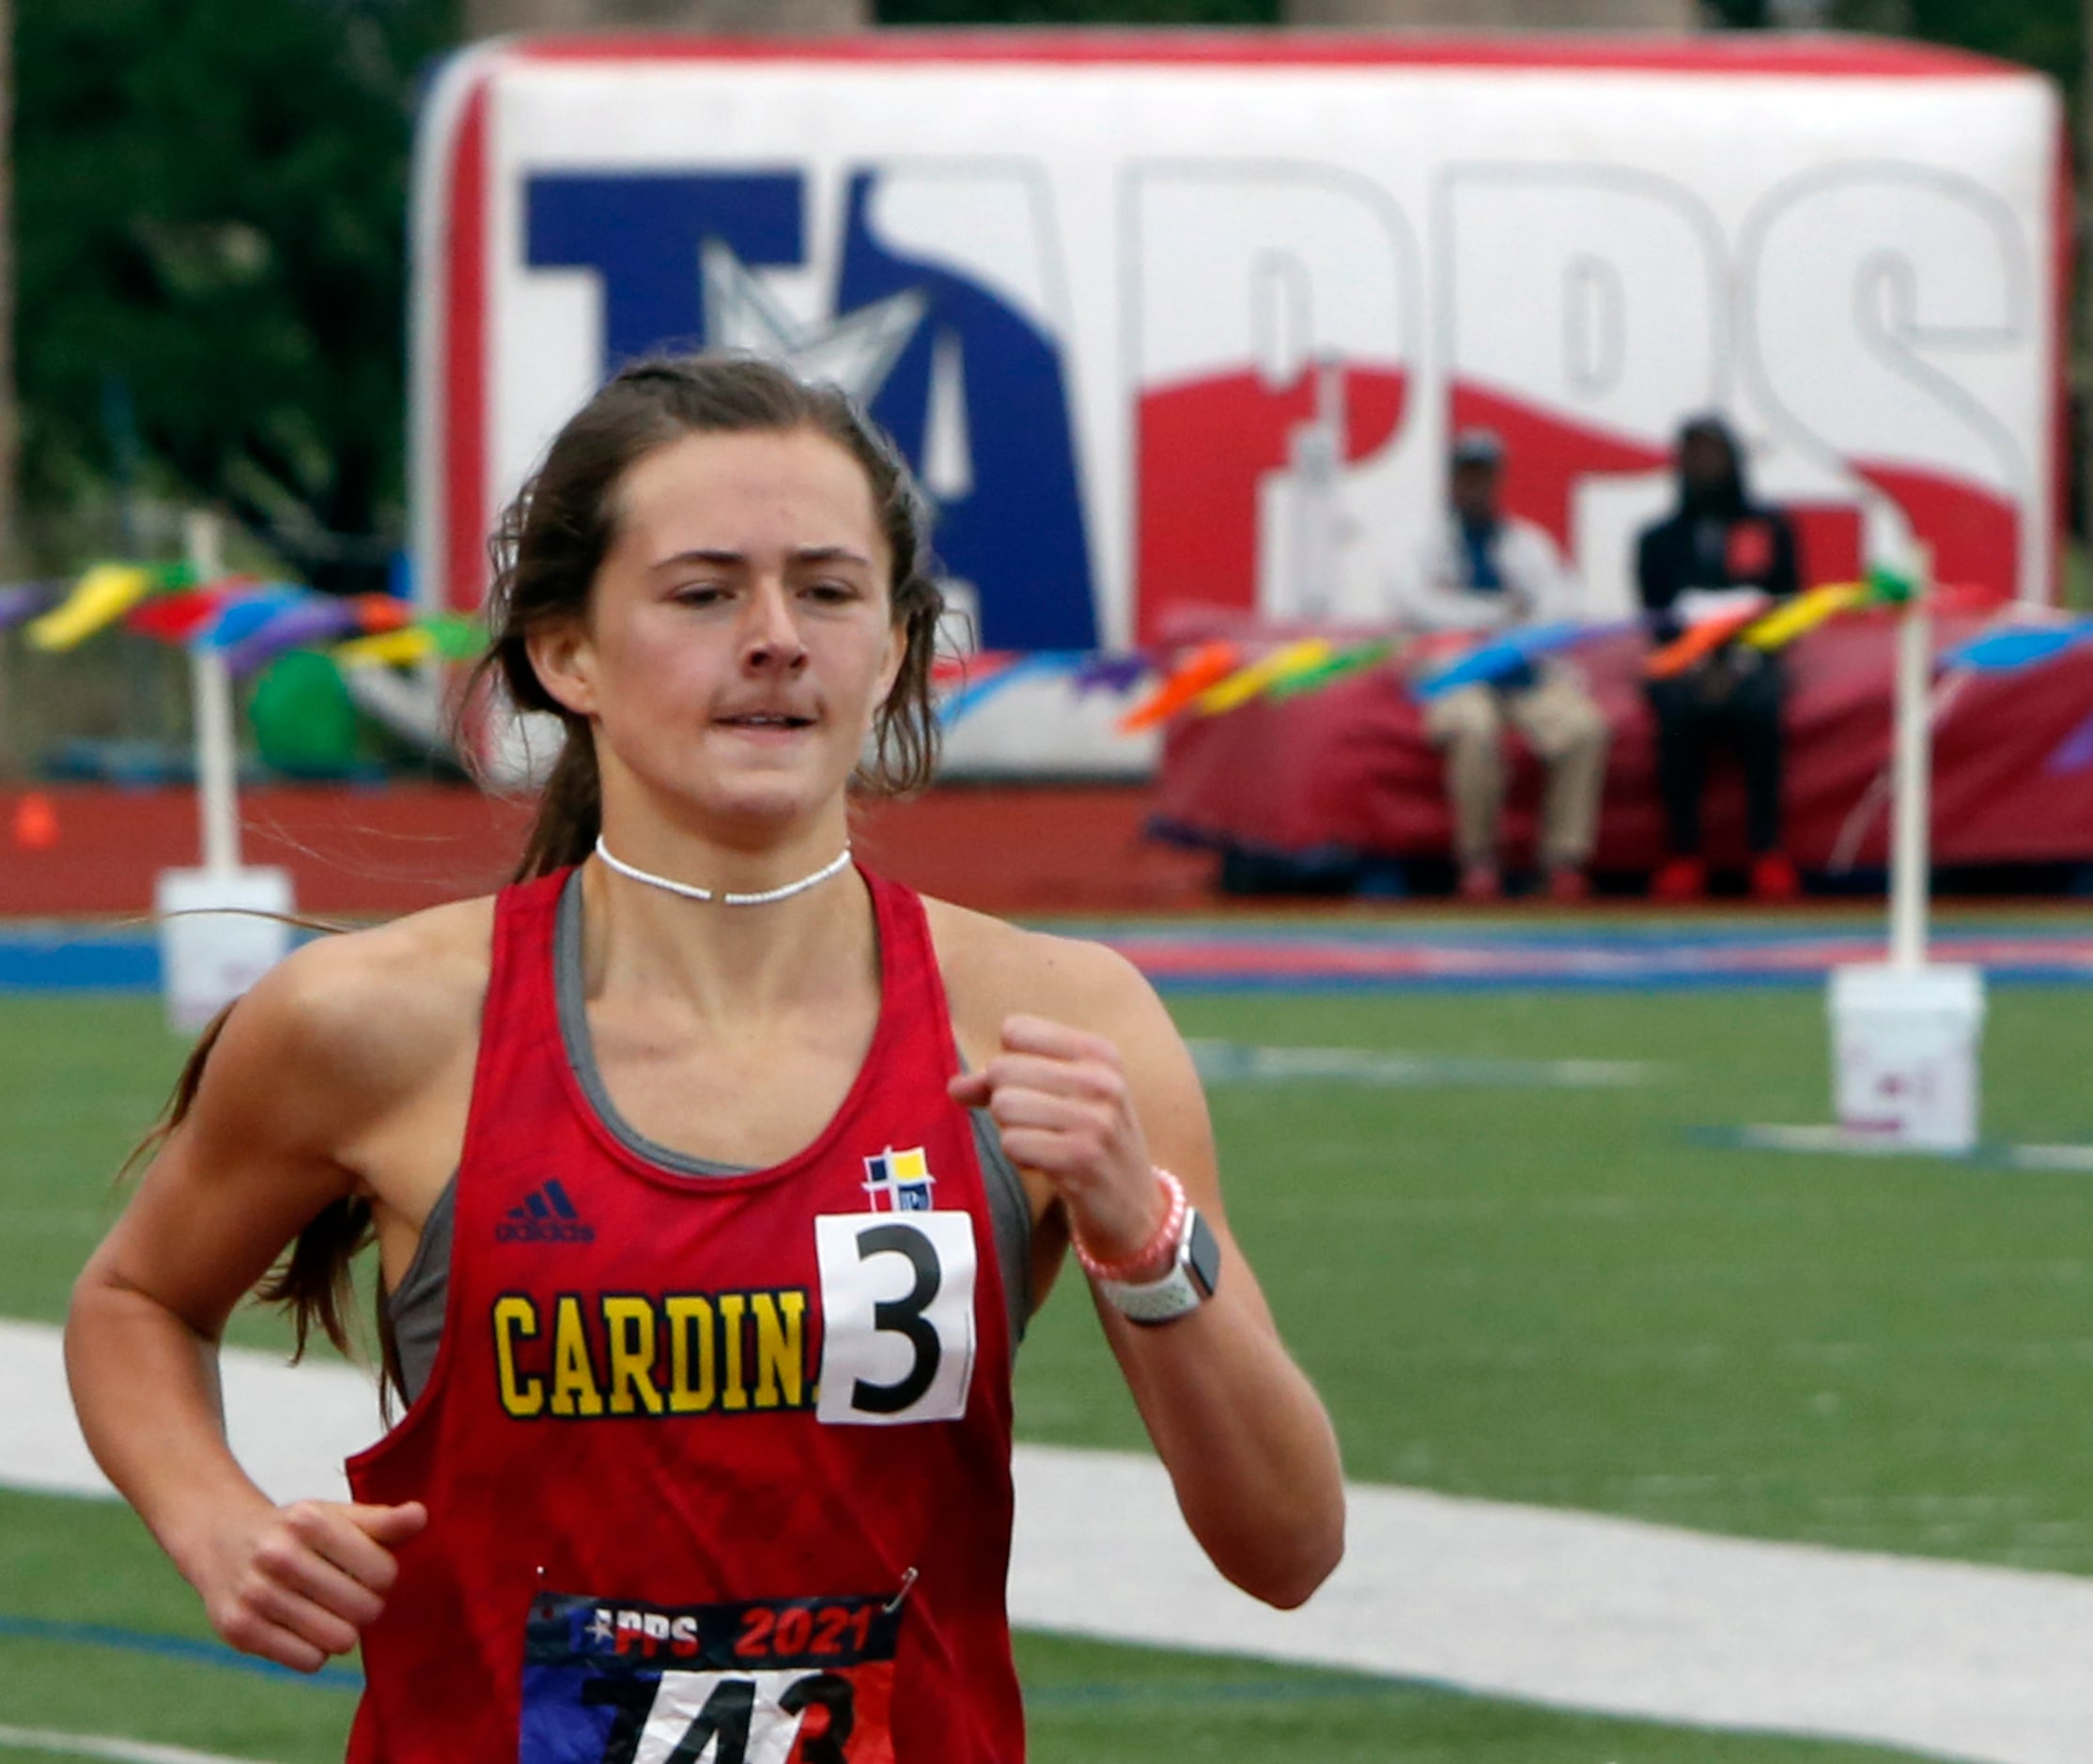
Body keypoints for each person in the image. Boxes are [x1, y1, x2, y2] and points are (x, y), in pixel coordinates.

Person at [65, 355, 1345, 1758]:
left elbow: (1287, 1546)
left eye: (830, 589)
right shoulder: (376, 1020)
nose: (777, 636)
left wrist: (1140, 1230)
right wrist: (218, 1522)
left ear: (900, 648)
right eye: (704, 590)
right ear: (567, 653)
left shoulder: (1059, 1023)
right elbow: (135, 1298)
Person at [1400, 427, 1610, 903]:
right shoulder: (1420, 541)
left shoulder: (1527, 544)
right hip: (1456, 670)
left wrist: (1506, 625)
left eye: (1485, 476)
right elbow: (1415, 606)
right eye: (1467, 476)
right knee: (1474, 730)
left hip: (1523, 667)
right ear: (1451, 481)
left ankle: (1563, 861)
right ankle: (1479, 861)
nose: (1476, 487)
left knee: (1584, 727)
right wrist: (1498, 614)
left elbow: (1562, 605)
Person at [1635, 414, 1802, 904]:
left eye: (1712, 453)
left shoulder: (1768, 527)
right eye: (1692, 454)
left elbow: (1787, 604)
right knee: (1677, 712)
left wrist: (1738, 657)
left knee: (1762, 708)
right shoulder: (1658, 538)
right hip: (1685, 663)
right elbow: (1657, 617)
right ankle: (1683, 853)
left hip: (1751, 658)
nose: (1702, 465)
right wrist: (1698, 660)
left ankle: (1766, 850)